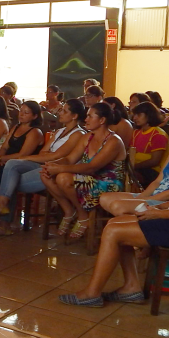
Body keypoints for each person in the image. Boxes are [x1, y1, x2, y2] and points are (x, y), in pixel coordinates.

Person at [60, 166, 169, 307]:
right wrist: (160, 207)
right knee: (114, 223)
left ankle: (91, 294)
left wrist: (159, 214)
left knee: (114, 232)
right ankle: (131, 287)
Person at [0, 99, 88, 219]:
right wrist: (46, 155)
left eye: (64, 111)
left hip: (57, 169)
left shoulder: (78, 134)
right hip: (44, 164)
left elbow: (56, 156)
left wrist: (26, 157)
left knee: (9, 180)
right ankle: (2, 207)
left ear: (74, 116)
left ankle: (4, 217)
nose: (60, 113)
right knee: (11, 167)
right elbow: (44, 152)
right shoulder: (60, 131)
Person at [41, 102, 127, 240]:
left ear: (102, 120)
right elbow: (70, 159)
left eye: (89, 116)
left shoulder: (114, 141)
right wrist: (51, 165)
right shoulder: (87, 137)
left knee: (63, 177)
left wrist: (60, 169)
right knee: (46, 176)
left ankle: (82, 215)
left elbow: (92, 167)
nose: (85, 119)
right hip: (87, 177)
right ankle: (69, 210)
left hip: (107, 183)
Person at [101, 110, 169, 216]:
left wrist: (147, 199)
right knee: (105, 198)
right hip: (156, 195)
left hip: (167, 202)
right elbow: (158, 181)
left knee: (117, 206)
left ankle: (138, 225)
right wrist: (142, 197)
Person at [0, 101, 44, 199]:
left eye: (26, 112)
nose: (21, 114)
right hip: (6, 160)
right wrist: (0, 158)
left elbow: (23, 155)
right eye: (21, 111)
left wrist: (3, 158)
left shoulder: (35, 132)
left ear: (35, 116)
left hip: (20, 164)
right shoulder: (16, 127)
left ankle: (1, 204)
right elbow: (4, 146)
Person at [128, 101, 169, 187]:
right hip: (136, 167)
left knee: (129, 176)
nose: (135, 118)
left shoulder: (158, 134)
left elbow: (154, 161)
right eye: (134, 115)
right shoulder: (136, 132)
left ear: (149, 115)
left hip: (154, 172)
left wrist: (133, 167)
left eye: (139, 115)